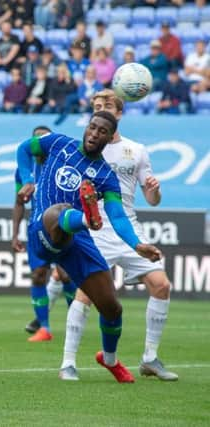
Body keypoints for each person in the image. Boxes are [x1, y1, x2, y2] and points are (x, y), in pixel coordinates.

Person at [16, 111, 162, 383]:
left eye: (102, 131)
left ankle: (109, 359)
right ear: (86, 127)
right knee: (58, 211)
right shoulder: (57, 143)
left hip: (78, 240)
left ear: (110, 137)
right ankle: (86, 217)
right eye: (92, 128)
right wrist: (27, 179)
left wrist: (137, 244)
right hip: (43, 229)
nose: (95, 134)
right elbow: (24, 148)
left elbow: (117, 216)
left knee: (112, 308)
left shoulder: (106, 176)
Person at [59, 90, 178, 382]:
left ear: (120, 113)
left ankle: (150, 358)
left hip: (128, 226)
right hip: (95, 228)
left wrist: (154, 188)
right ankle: (68, 363)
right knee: (86, 294)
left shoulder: (136, 150)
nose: (102, 110)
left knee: (161, 285)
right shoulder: (83, 148)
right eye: (97, 107)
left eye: (108, 107)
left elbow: (152, 199)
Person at [12, 125, 78, 341]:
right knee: (38, 275)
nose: (40, 144)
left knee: (65, 274)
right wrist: (14, 235)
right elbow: (19, 202)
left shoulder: (61, 167)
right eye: (37, 140)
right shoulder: (24, 170)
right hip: (35, 230)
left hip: (60, 228)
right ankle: (45, 328)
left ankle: (74, 322)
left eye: (45, 139)